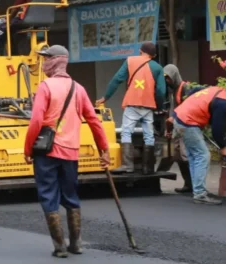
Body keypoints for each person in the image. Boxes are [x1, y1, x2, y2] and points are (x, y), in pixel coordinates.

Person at [24, 45, 110, 257]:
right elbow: (94, 121)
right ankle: (76, 244)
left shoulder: (45, 87)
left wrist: (28, 149)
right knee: (71, 195)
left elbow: (36, 121)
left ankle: (60, 247)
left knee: (48, 194)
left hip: (47, 151)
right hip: (71, 152)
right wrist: (104, 149)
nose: (44, 63)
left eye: (47, 59)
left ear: (55, 61)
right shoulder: (78, 88)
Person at [96, 42, 165, 174]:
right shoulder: (158, 68)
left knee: (126, 132)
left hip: (132, 103)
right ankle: (148, 167)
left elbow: (117, 79)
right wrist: (159, 106)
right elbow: (161, 91)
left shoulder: (130, 61)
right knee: (149, 135)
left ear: (140, 51)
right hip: (148, 105)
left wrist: (106, 97)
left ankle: (128, 166)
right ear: (154, 55)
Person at [169, 86, 226, 205]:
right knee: (203, 155)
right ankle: (200, 194)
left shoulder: (219, 91)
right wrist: (223, 147)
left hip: (181, 117)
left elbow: (195, 91)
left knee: (194, 157)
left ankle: (198, 191)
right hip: (187, 122)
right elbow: (217, 130)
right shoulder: (223, 104)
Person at [162, 64, 207, 193]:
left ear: (174, 76)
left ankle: (195, 186)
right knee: (178, 157)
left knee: (186, 155)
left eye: (168, 77)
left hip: (186, 126)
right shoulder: (172, 91)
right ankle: (188, 184)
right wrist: (170, 129)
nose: (167, 80)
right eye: (165, 78)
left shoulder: (185, 88)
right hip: (178, 126)